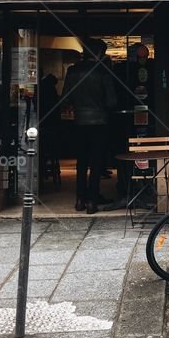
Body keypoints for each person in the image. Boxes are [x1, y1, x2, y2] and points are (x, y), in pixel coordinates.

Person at [61, 39, 117, 214]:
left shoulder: (72, 71)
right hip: (100, 122)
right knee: (96, 162)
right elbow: (112, 101)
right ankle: (92, 200)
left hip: (79, 122)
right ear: (100, 53)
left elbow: (65, 98)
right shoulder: (103, 72)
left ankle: (80, 200)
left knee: (81, 162)